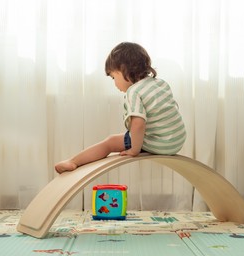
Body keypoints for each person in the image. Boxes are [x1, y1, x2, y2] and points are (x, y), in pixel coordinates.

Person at [55, 42, 186, 174]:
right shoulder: (160, 83)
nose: (115, 83)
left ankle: (73, 162)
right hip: (177, 140)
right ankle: (73, 161)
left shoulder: (134, 92)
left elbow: (138, 124)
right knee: (125, 136)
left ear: (124, 69)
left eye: (113, 77)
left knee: (110, 142)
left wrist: (134, 150)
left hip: (160, 143)